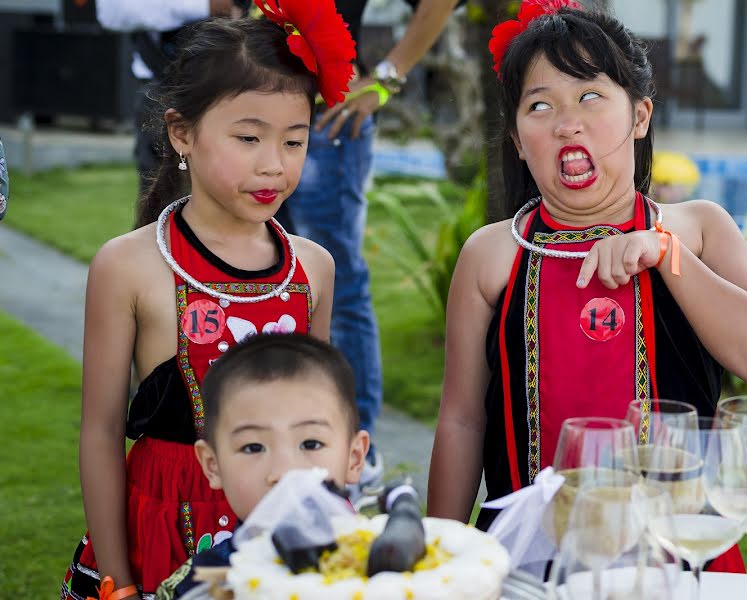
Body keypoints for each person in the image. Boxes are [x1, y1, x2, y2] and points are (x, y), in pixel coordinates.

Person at [427, 0, 747, 571]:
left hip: (679, 551)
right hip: (528, 554)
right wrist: (437, 557)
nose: (567, 121)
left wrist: (665, 253)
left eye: (590, 96)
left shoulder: (699, 229)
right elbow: (463, 418)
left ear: (640, 116)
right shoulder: (492, 256)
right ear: (518, 139)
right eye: (539, 105)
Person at [61, 3, 355, 597]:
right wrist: (118, 577)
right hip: (160, 533)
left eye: (294, 141)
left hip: (281, 539)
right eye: (248, 138)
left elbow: (319, 423)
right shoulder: (128, 267)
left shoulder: (313, 270)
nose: (273, 164)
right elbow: (99, 431)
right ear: (182, 134)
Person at [274, 0, 460, 491]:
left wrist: (385, 81)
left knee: (337, 286)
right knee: (266, 280)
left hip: (328, 120)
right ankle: (287, 444)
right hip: (256, 108)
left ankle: (358, 452)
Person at [154, 332, 369, 599]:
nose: (284, 473)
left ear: (355, 457)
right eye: (253, 447)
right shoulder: (202, 584)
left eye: (311, 444)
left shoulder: (392, 574)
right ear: (213, 465)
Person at [95, 0, 251, 197]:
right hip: (166, 86)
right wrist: (206, 6)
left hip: (250, 84)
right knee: (165, 203)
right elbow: (112, 11)